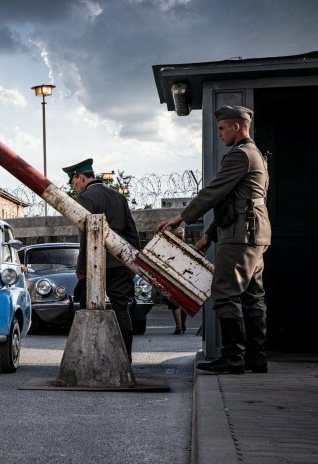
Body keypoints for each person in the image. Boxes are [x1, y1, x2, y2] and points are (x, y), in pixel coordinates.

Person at [158, 105, 270, 374]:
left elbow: (213, 193)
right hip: (254, 234)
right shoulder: (257, 156)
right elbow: (234, 200)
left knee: (223, 293)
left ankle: (234, 357)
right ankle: (256, 357)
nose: (219, 134)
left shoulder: (239, 156)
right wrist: (209, 234)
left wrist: (181, 217)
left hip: (240, 235)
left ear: (237, 127)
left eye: (222, 128)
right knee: (253, 296)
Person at [64, 158, 140, 360]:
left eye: (74, 182)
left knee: (88, 308)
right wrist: (134, 262)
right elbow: (132, 231)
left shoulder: (85, 198)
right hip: (120, 262)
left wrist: (81, 267)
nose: (74, 187)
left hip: (95, 264)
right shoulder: (118, 197)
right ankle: (126, 359)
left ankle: (89, 357)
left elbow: (85, 236)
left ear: (81, 177)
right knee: (121, 309)